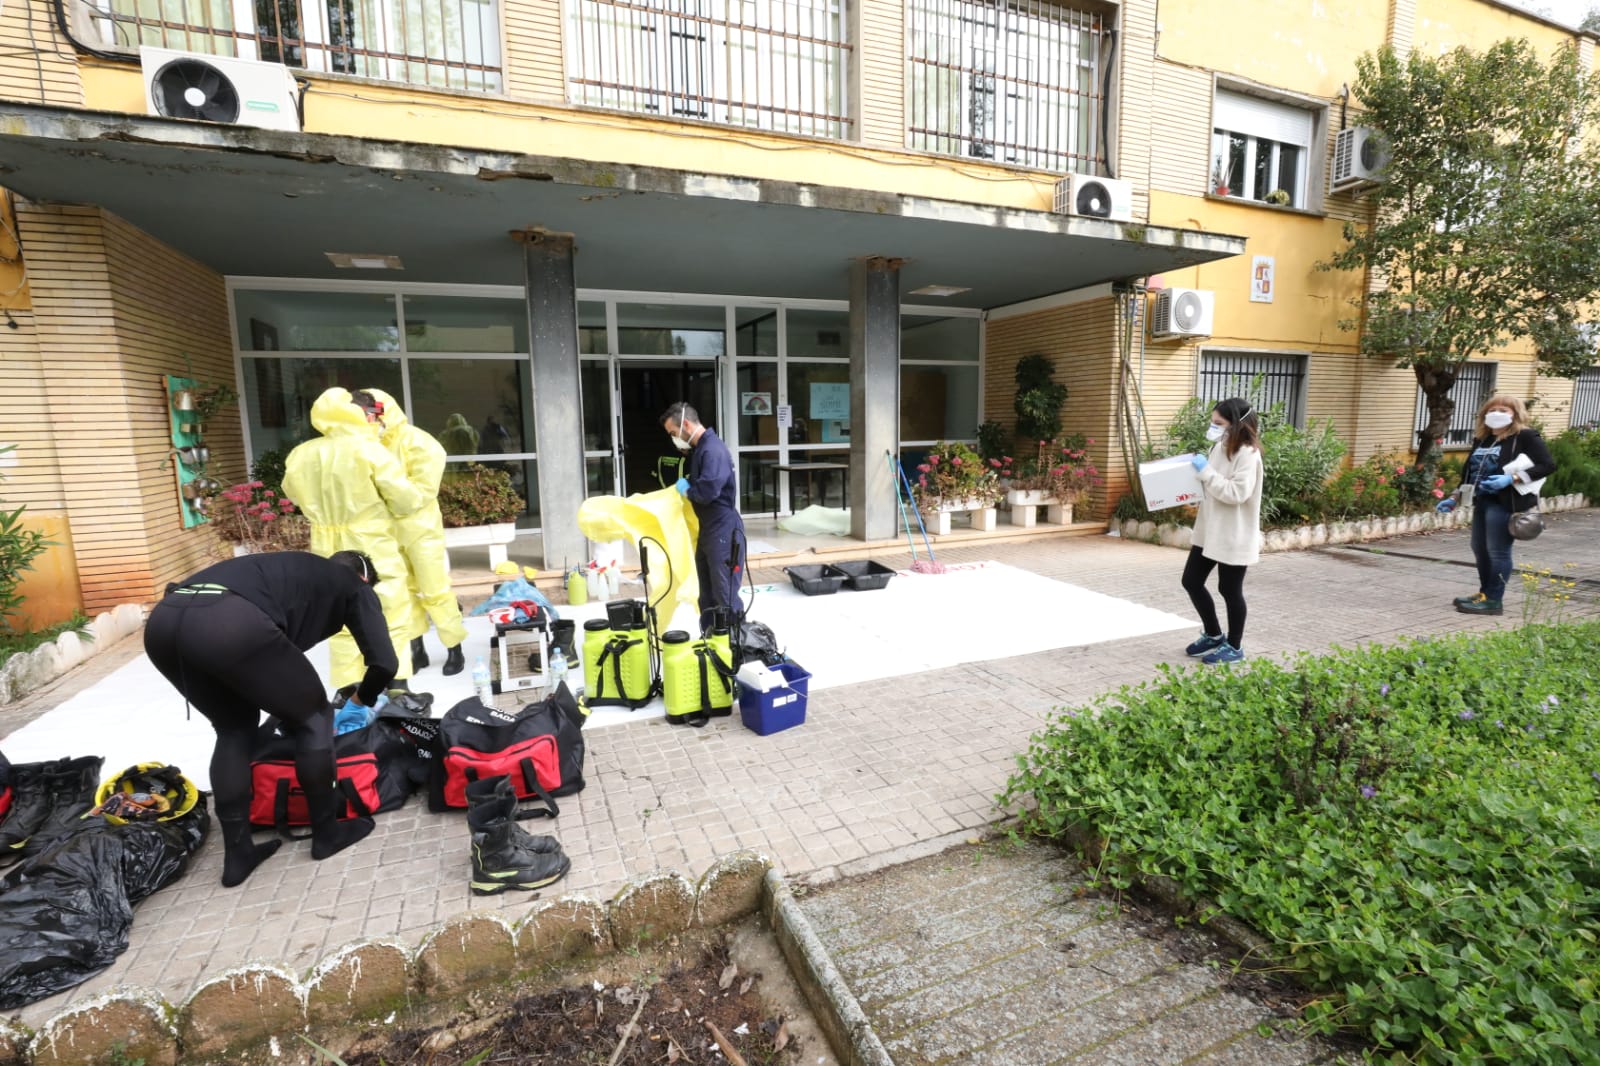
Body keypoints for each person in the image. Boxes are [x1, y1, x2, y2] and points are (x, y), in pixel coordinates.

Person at [143, 550, 393, 887]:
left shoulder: (291, 571)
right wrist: (361, 699)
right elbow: (385, 664)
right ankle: (327, 834)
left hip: (163, 623)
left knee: (234, 728)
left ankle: (238, 854)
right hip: (227, 621)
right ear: (365, 579)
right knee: (316, 717)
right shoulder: (355, 585)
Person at [283, 387, 425, 692]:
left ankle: (349, 694)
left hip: (325, 545)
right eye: (374, 415)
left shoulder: (301, 453)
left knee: (340, 619)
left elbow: (292, 494)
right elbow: (405, 501)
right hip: (371, 542)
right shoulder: (370, 450)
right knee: (390, 615)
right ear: (361, 414)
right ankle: (397, 690)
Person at [365, 388, 468, 677]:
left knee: (435, 589)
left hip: (421, 529)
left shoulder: (420, 442)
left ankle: (454, 648)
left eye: (372, 414)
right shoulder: (366, 445)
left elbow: (421, 492)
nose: (369, 420)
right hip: (386, 531)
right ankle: (417, 650)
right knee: (400, 592)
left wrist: (385, 493)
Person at [1436, 394, 1555, 615]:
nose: (1497, 414)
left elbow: (1547, 465)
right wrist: (1454, 497)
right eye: (1492, 410)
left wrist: (1513, 478)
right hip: (1482, 500)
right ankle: (1485, 593)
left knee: (1498, 551)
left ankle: (1494, 600)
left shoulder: (1525, 436)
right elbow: (1469, 473)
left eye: (1504, 410)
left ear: (1515, 414)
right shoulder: (1483, 438)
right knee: (1479, 549)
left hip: (1505, 503)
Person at [1180, 398, 1264, 665]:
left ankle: (1235, 646)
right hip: (1209, 531)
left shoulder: (1248, 454)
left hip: (1234, 534)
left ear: (1236, 425)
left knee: (1229, 590)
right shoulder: (1219, 447)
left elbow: (1236, 493)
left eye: (1219, 423)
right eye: (1213, 422)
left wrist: (1205, 474)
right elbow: (1211, 484)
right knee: (1191, 581)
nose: (1213, 427)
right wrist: (1193, 493)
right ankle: (1214, 634)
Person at [660, 402, 747, 632]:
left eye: (672, 433)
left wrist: (687, 489)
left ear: (685, 425)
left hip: (724, 531)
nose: (673, 438)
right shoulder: (700, 450)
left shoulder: (712, 450)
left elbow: (707, 493)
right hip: (709, 530)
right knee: (706, 593)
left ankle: (736, 644)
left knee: (724, 592)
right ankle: (710, 639)